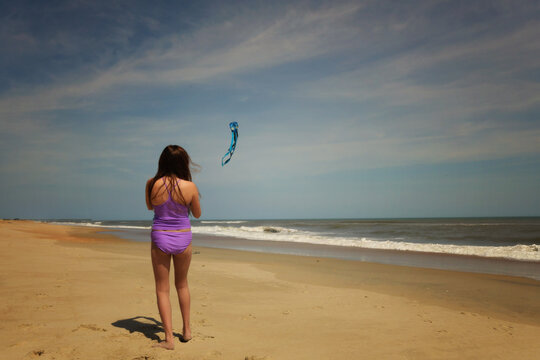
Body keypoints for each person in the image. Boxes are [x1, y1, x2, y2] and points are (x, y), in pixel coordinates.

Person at [145, 145, 201, 350]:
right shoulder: (189, 186)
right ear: (183, 163)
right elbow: (197, 214)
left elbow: (150, 207)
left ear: (162, 162)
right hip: (182, 238)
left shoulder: (151, 183)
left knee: (162, 288)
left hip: (160, 237)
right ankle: (186, 331)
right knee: (182, 284)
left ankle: (168, 338)